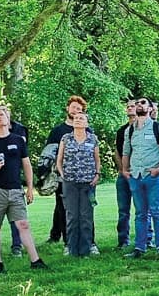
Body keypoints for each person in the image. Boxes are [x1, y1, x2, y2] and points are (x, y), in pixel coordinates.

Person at [0, 105, 47, 273]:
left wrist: (29, 188)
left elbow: (26, 165)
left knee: (23, 224)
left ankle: (35, 261)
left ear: (8, 120)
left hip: (16, 190)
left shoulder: (18, 140)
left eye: (2, 115)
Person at [122, 97, 159, 257]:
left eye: (143, 103)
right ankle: (139, 248)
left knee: (157, 212)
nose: (139, 105)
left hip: (153, 177)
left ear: (151, 108)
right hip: (135, 176)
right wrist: (125, 170)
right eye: (137, 103)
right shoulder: (129, 130)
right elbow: (126, 152)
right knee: (140, 214)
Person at [44, 96, 91, 247]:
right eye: (73, 107)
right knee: (62, 207)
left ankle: (88, 241)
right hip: (61, 176)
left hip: (84, 177)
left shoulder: (87, 130)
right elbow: (49, 153)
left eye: (79, 109)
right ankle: (64, 239)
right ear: (67, 108)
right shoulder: (57, 131)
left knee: (84, 209)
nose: (75, 110)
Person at [54, 110, 100, 257]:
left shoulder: (93, 139)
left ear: (87, 123)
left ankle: (86, 250)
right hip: (70, 183)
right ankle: (72, 249)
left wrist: (97, 175)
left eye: (81, 118)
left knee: (86, 216)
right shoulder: (66, 138)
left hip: (88, 183)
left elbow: (97, 160)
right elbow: (59, 159)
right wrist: (62, 174)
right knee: (72, 216)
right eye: (76, 118)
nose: (78, 120)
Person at [113, 97, 137, 249]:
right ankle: (123, 241)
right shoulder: (121, 131)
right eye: (127, 106)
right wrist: (123, 169)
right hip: (124, 175)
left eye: (132, 106)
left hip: (140, 174)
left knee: (143, 210)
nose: (129, 108)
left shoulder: (145, 129)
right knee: (123, 210)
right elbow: (117, 151)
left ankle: (147, 240)